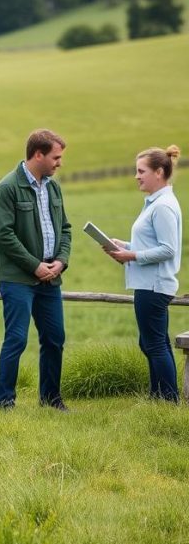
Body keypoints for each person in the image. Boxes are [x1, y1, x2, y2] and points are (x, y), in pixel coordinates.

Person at [0, 129, 72, 410]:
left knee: (55, 338)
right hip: (17, 279)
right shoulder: (7, 188)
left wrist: (60, 261)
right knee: (16, 339)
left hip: (51, 277)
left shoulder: (53, 187)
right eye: (56, 157)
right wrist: (35, 266)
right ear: (38, 154)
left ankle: (51, 400)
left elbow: (65, 229)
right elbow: (3, 235)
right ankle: (5, 402)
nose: (59, 163)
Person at [106, 146, 182, 402]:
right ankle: (159, 396)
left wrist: (131, 256)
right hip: (150, 284)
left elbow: (168, 249)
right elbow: (153, 243)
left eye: (141, 171)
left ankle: (168, 400)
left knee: (155, 345)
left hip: (153, 285)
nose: (136, 176)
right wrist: (126, 246)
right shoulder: (156, 203)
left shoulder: (162, 207)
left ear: (159, 172)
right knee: (153, 343)